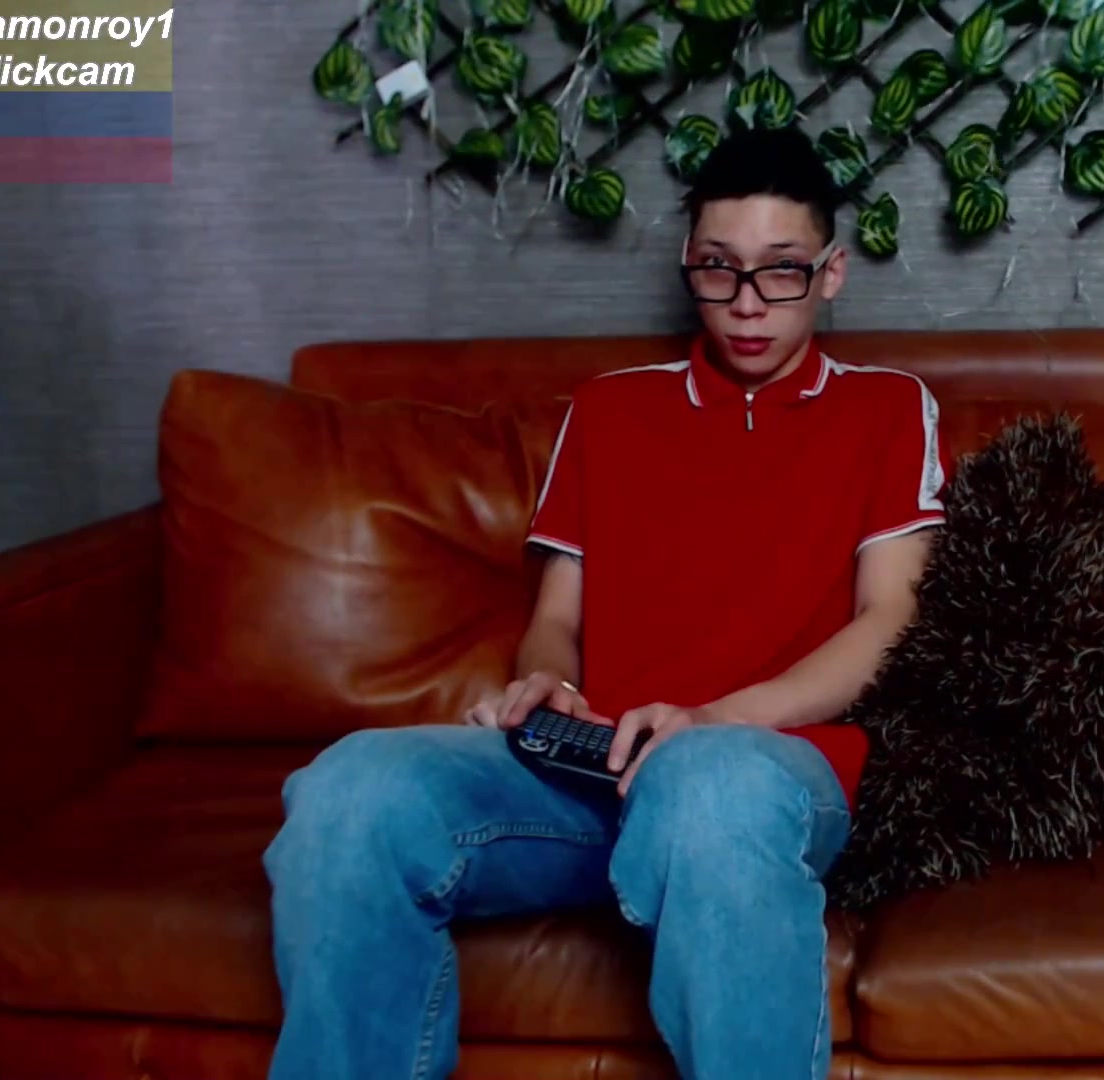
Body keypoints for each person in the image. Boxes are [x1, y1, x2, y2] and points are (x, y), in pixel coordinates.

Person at [261, 124, 949, 1080]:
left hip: (762, 771)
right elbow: (556, 617)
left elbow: (891, 623)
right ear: (688, 263)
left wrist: (715, 721)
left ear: (831, 273)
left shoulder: (888, 407)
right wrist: (547, 683)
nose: (748, 302)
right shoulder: (610, 408)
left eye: (782, 271)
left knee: (709, 787)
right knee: (348, 791)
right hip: (595, 768)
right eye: (719, 268)